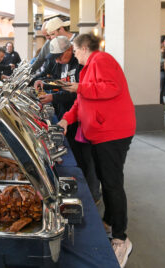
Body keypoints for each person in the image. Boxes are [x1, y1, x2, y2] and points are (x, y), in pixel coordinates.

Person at [57, 33, 136, 267]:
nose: (75, 54)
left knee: (112, 183)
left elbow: (111, 87)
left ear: (83, 47)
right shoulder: (87, 68)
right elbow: (81, 101)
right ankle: (109, 220)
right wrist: (66, 120)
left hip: (113, 132)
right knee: (105, 179)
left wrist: (79, 87)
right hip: (101, 133)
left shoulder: (101, 60)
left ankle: (121, 238)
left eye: (75, 49)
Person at [33, 37, 101, 203]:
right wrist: (44, 83)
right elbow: (59, 81)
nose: (57, 60)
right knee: (76, 155)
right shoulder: (58, 62)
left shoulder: (81, 64)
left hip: (83, 117)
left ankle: (92, 195)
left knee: (88, 159)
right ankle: (81, 188)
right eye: (55, 57)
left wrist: (53, 97)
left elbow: (75, 90)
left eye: (59, 56)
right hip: (68, 115)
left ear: (71, 50)